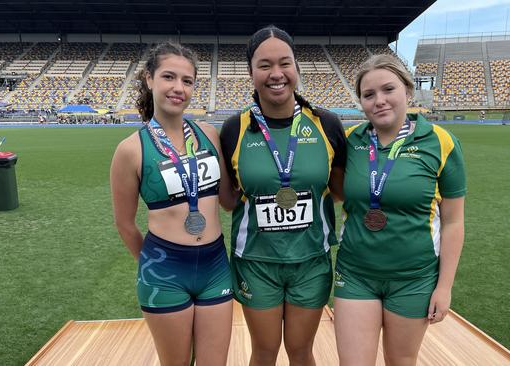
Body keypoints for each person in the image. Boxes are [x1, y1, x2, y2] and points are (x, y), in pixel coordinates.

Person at [219, 25, 346, 365]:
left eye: (285, 63)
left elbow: (338, 191)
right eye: (264, 65)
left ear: (296, 68)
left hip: (311, 261)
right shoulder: (234, 129)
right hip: (256, 263)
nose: (276, 74)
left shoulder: (327, 124)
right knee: (264, 352)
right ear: (251, 72)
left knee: (302, 351)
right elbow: (229, 198)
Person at [333, 54, 466, 366]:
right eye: (369, 94)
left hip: (414, 278)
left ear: (408, 91)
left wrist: (444, 287)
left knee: (401, 361)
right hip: (356, 274)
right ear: (361, 102)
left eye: (388, 89)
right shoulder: (350, 141)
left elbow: (454, 222)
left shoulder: (441, 142)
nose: (379, 101)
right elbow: (333, 191)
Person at [110, 42, 233, 366]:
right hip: (164, 270)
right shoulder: (131, 150)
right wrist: (155, 262)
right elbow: (124, 223)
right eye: (169, 77)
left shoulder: (209, 134)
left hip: (216, 267)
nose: (178, 88)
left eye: (187, 81)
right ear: (149, 79)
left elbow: (228, 201)